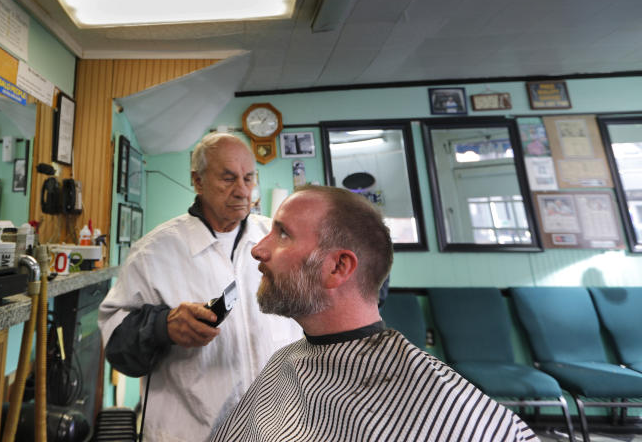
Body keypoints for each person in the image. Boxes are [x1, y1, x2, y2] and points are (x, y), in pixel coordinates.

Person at [209, 186, 538, 442]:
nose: (257, 249)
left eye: (282, 233)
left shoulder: (447, 406)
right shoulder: (285, 361)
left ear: (338, 267)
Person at [98, 133, 302, 442]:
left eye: (249, 178)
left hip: (280, 428)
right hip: (190, 433)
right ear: (198, 180)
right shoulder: (154, 252)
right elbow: (117, 348)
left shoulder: (277, 241)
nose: (242, 191)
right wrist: (162, 327)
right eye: (228, 179)